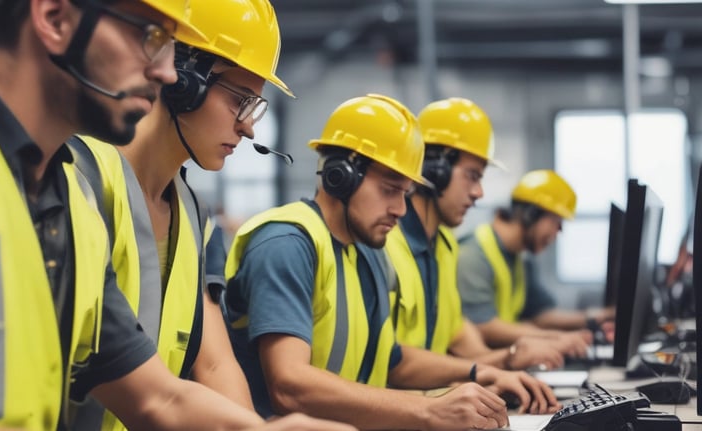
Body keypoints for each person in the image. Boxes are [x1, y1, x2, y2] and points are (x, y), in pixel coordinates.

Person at [0, 0, 354, 430]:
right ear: (54, 17)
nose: (167, 73)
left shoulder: (70, 206)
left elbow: (159, 397)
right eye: (150, 37)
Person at [221, 93, 561, 430]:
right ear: (341, 176)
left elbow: (393, 361)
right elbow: (289, 385)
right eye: (389, 190)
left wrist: (478, 372)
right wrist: (430, 410)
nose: (400, 208)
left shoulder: (369, 251)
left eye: (405, 193)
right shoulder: (287, 245)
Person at [68, 0, 295, 428]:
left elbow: (214, 366)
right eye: (240, 101)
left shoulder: (194, 217)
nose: (248, 127)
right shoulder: (80, 181)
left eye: (255, 108)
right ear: (183, 80)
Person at [384, 98, 570, 378]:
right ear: (434, 169)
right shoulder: (386, 244)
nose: (478, 192)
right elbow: (390, 361)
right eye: (472, 176)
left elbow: (456, 332)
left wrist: (500, 365)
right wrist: (500, 364)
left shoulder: (444, 245)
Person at [457, 170, 613, 353]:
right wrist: (555, 339)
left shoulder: (520, 259)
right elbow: (484, 326)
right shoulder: (474, 255)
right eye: (556, 222)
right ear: (530, 214)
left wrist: (593, 319)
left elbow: (540, 315)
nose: (558, 233)